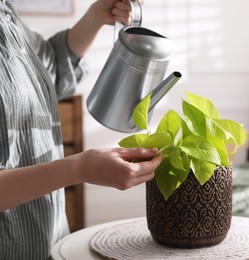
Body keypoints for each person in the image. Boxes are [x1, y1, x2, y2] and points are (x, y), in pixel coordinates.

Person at [0, 0, 162, 259]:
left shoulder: (5, 12)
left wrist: (96, 15)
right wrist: (80, 168)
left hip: (46, 242)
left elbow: (48, 65)